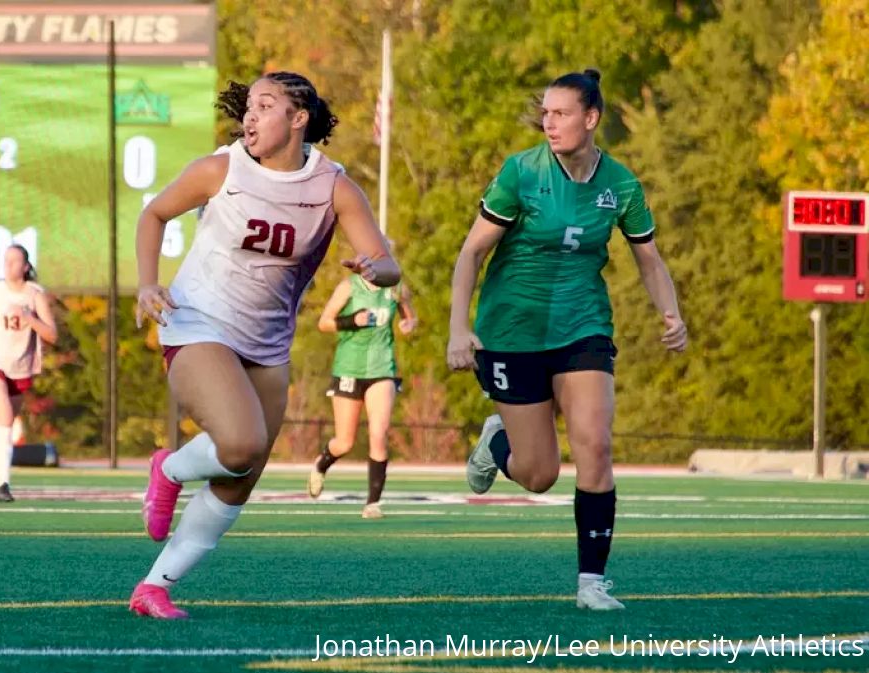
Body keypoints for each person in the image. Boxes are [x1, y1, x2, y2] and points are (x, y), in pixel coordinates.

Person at [129, 71, 401, 619]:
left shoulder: (333, 187)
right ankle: (171, 470)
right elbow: (153, 213)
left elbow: (388, 265)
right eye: (249, 106)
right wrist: (147, 282)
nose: (250, 116)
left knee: (242, 476)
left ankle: (153, 588)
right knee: (240, 444)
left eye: (265, 106)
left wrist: (378, 269)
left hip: (268, 343)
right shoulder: (221, 169)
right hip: (198, 322)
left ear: (298, 119)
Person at [446, 69, 687, 610]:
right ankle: (497, 443)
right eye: (546, 114)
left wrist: (671, 313)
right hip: (513, 331)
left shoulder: (621, 185)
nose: (548, 123)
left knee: (596, 445)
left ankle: (591, 583)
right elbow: (471, 253)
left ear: (591, 118)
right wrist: (460, 328)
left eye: (561, 114)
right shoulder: (522, 173)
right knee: (539, 475)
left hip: (583, 326)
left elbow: (648, 259)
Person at [308, 265, 416, 519]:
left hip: (382, 368)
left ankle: (372, 503)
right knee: (344, 442)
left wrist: (408, 323)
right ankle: (321, 464)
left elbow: (410, 316)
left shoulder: (396, 288)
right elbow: (324, 322)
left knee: (379, 433)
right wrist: (351, 321)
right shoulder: (349, 286)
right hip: (349, 368)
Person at [0, 245, 57, 505]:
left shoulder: (34, 294)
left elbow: (52, 335)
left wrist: (30, 318)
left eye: (15, 260)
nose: (8, 265)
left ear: (26, 266)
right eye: (6, 260)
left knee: (2, 425)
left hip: (20, 367)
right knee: (6, 417)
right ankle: (3, 483)